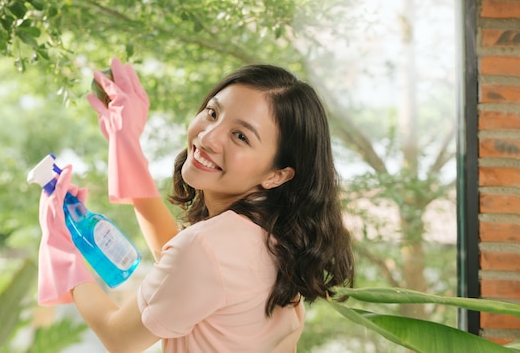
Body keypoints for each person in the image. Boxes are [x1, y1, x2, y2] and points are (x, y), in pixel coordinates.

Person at [37, 57, 355, 352]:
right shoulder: (275, 239)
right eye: (213, 113)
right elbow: (185, 265)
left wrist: (62, 249)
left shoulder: (209, 247)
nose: (208, 138)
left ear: (277, 174)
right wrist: (126, 144)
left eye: (241, 136)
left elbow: (119, 336)